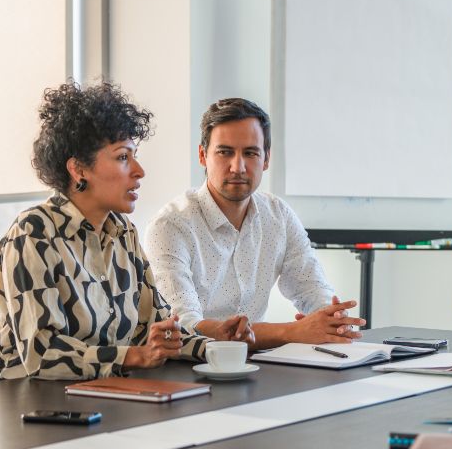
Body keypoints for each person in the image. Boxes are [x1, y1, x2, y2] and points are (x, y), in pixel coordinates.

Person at [0, 82, 209, 380]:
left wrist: (219, 349)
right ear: (79, 169)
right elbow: (42, 355)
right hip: (29, 403)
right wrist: (133, 356)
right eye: (122, 157)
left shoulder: (123, 233)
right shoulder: (34, 234)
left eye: (134, 155)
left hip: (102, 393)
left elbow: (156, 328)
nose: (139, 171)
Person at [145, 98, 365, 349]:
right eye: (225, 152)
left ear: (266, 159)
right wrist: (292, 331)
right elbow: (183, 326)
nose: (237, 167)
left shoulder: (278, 215)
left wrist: (332, 320)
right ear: (203, 155)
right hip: (188, 369)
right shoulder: (170, 226)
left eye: (250, 153)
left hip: (257, 366)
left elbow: (311, 288)